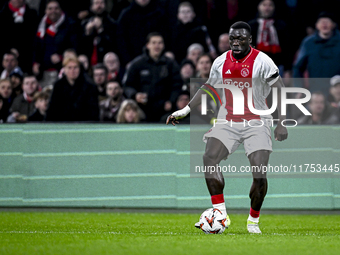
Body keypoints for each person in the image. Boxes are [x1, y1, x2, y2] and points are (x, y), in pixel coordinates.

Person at [166, 21, 288, 234]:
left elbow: (280, 90)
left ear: (250, 39)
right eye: (233, 38)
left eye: (240, 38)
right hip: (228, 120)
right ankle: (220, 213)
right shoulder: (220, 62)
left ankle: (253, 222)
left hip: (257, 121)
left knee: (259, 174)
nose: (236, 42)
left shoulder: (263, 61)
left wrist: (282, 122)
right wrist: (185, 110)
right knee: (209, 158)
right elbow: (208, 87)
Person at [124, 32, 182, 122]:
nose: (157, 46)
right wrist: (135, 95)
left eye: (160, 43)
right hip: (142, 110)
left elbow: (177, 85)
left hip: (165, 110)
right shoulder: (137, 64)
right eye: (154, 43)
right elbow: (127, 85)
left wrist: (171, 101)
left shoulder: (171, 64)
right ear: (148, 45)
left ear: (163, 45)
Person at [32, 0, 78, 87]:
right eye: (50, 8)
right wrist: (35, 62)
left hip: (60, 70)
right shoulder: (41, 25)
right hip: (43, 72)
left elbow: (74, 47)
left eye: (56, 8)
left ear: (61, 10)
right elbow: (36, 46)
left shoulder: (70, 25)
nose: (53, 11)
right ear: (45, 11)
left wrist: (62, 57)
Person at [293, 12, 340, 97]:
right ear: (317, 25)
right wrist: (298, 88)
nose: (324, 24)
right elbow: (298, 68)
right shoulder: (308, 43)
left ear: (333, 25)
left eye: (327, 22)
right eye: (322, 22)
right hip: (316, 90)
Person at [45, 57, 99, 121]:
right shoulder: (58, 86)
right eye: (69, 68)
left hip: (83, 124)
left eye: (75, 67)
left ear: (79, 69)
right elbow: (52, 109)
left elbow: (93, 111)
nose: (72, 71)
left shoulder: (89, 86)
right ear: (64, 69)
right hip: (62, 124)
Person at [116, 0, 169, 66]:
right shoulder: (126, 15)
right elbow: (120, 39)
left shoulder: (159, 13)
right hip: (132, 60)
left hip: (157, 60)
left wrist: (166, 53)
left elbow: (167, 36)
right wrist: (127, 60)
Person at [248, 0, 291, 76]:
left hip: (277, 66)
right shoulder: (251, 26)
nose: (267, 8)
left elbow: (287, 49)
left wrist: (287, 69)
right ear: (259, 7)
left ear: (274, 7)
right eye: (264, 5)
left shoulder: (281, 26)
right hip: (255, 67)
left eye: (270, 5)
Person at [0, 0, 38, 72]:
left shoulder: (32, 14)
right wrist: (9, 50)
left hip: (27, 60)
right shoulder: (2, 14)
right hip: (5, 61)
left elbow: (35, 40)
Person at [79, 0, 117, 66]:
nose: (99, 6)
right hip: (89, 62)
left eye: (101, 3)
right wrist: (87, 33)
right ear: (91, 6)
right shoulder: (84, 23)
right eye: (96, 3)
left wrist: (101, 31)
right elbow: (80, 47)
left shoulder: (111, 23)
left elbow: (114, 44)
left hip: (105, 62)